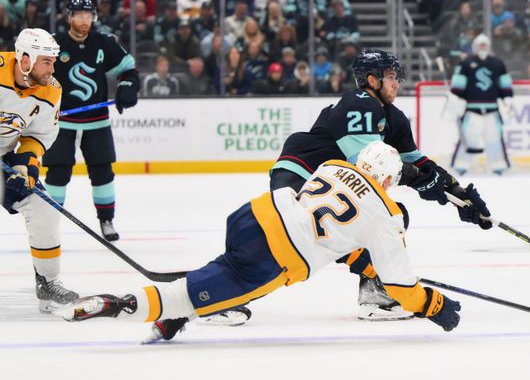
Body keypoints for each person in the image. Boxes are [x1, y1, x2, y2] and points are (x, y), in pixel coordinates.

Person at [56, 143, 463, 342]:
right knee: (193, 292)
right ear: (390, 180)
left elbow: (341, 238)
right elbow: (401, 290)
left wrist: (365, 263)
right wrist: (435, 306)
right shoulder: (387, 213)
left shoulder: (334, 166)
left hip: (254, 215)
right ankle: (119, 304)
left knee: (224, 267)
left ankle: (183, 313)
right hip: (278, 257)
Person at [264, 49, 491, 322]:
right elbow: (368, 164)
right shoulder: (358, 103)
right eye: (391, 76)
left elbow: (417, 163)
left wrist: (457, 193)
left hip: (330, 184)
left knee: (375, 220)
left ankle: (377, 293)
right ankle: (224, 287)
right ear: (372, 80)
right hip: (301, 173)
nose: (397, 83)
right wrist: (423, 182)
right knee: (289, 239)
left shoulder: (393, 117)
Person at [43, 0, 140, 242]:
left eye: (88, 16)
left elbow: (129, 70)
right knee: (58, 172)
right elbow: (37, 78)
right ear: (69, 17)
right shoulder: (54, 45)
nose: (84, 21)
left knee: (102, 172)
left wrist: (128, 86)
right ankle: (49, 223)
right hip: (61, 121)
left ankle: (106, 220)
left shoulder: (103, 43)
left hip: (97, 121)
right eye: (79, 15)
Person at [0, 28, 80, 311]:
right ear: (25, 59)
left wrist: (25, 168)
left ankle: (47, 283)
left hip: (3, 157)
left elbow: (37, 136)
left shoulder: (51, 90)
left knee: (44, 208)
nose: (52, 68)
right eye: (47, 61)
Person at [449, 34, 513, 175]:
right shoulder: (466, 63)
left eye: (485, 45)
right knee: (468, 138)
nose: (482, 47)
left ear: (489, 46)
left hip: (492, 111)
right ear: (475, 47)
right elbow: (457, 87)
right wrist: (455, 99)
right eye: (480, 45)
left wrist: (507, 98)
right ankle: (461, 166)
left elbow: (505, 85)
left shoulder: (498, 63)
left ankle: (498, 166)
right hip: (472, 111)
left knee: (495, 138)